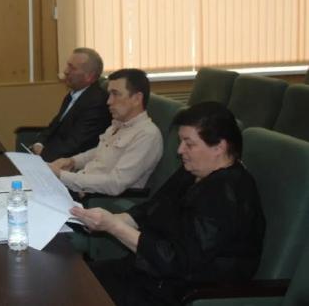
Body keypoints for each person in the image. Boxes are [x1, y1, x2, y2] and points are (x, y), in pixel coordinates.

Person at [71, 101, 265, 305]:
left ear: (219, 147)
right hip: (149, 273)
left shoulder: (227, 193)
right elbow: (154, 207)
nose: (180, 150)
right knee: (73, 279)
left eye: (189, 144)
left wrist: (114, 227)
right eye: (181, 141)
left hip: (179, 290)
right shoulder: (194, 170)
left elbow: (177, 261)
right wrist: (115, 219)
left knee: (77, 294)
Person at [49, 68, 163, 197]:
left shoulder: (146, 135)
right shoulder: (118, 125)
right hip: (80, 186)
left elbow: (115, 184)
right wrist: (72, 161)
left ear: (137, 99)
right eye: (109, 94)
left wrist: (61, 175)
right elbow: (99, 152)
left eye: (116, 94)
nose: (109, 101)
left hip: (99, 200)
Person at [30, 47, 111, 162]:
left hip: (68, 163)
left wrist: (42, 155)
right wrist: (39, 143)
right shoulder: (72, 95)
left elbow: (76, 144)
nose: (66, 71)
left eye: (72, 68)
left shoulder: (97, 101)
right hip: (48, 156)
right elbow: (54, 126)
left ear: (90, 76)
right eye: (68, 65)